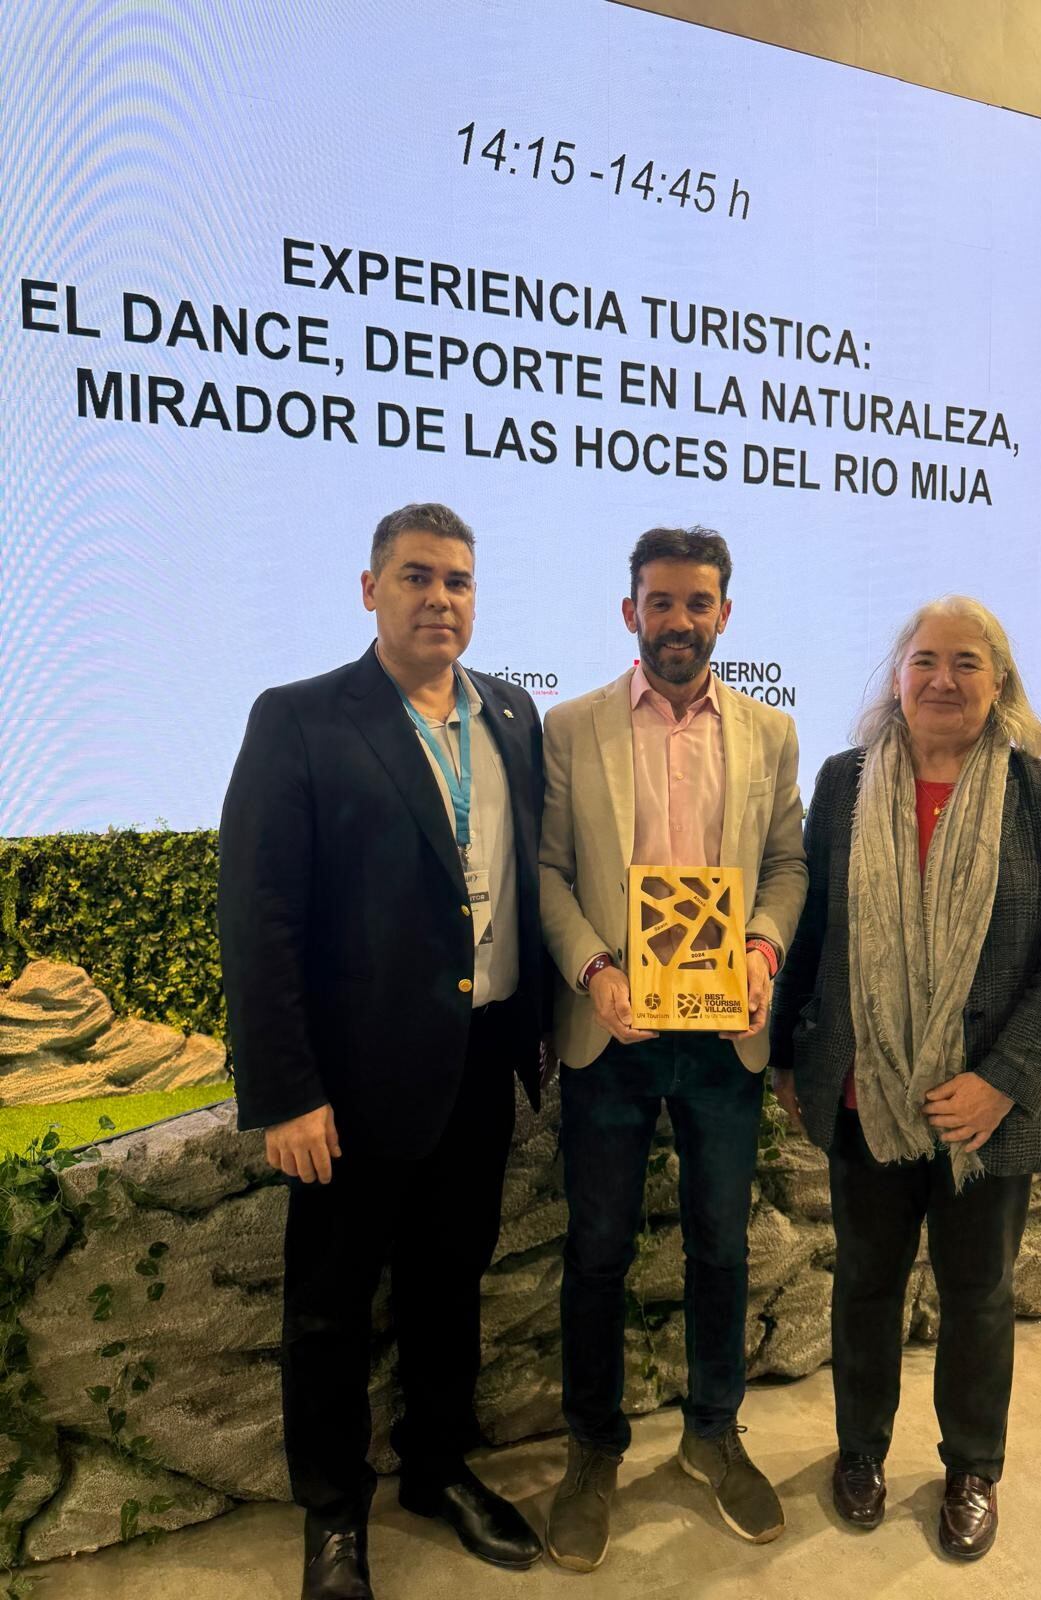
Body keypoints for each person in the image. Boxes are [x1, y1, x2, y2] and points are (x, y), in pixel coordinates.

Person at [218, 503, 545, 1599]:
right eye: (415, 577)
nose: (438, 598)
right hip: (351, 1091)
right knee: (331, 1304)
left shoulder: (511, 712)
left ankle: (437, 1471)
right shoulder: (302, 719)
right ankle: (333, 1515)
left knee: (452, 1285)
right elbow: (257, 916)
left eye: (457, 580)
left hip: (481, 1061)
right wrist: (286, 1092)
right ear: (371, 591)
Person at [769, 595, 1041, 1561]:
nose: (942, 680)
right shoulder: (843, 785)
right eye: (925, 661)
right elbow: (816, 933)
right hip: (863, 1094)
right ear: (898, 675)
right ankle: (860, 1453)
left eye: (966, 663)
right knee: (865, 1284)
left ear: (998, 684)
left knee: (979, 1294)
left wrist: (1001, 1081)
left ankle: (971, 1469)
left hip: (982, 1111)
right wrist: (791, 1051)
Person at [539, 525, 807, 1570]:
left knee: (723, 1246)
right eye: (661, 601)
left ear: (725, 614)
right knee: (597, 1250)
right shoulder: (572, 728)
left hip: (722, 1041)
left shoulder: (772, 734)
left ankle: (710, 1431)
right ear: (630, 612)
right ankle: (591, 1452)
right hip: (613, 1034)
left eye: (699, 603)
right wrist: (595, 972)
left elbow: (785, 864)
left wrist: (763, 947)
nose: (679, 621)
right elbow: (551, 873)